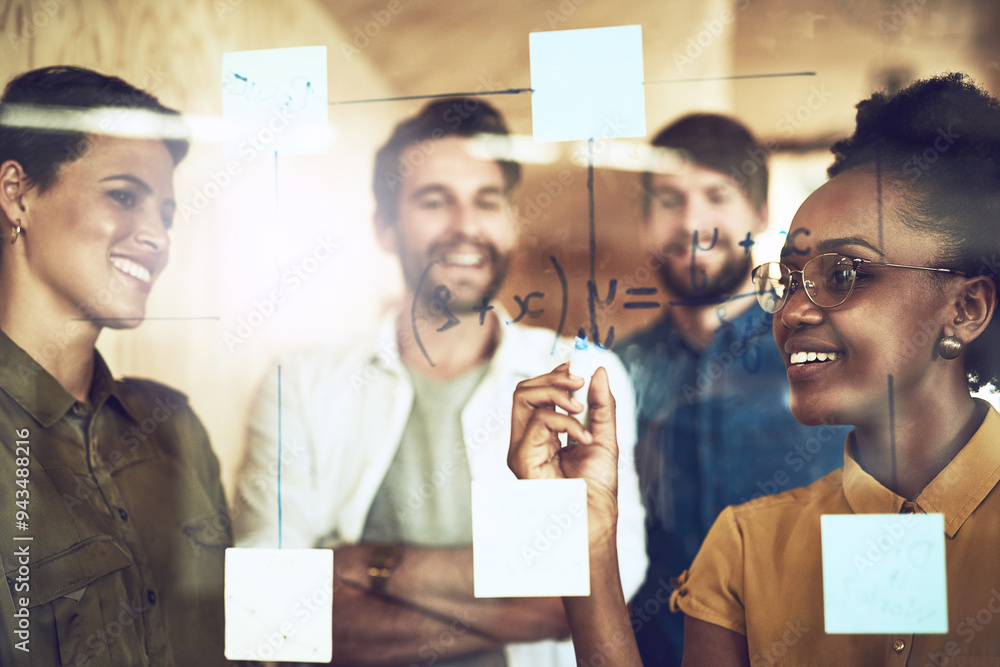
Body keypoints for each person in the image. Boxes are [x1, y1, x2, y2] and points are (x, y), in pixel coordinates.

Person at [510, 72, 1000, 666]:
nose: (793, 310)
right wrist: (587, 544)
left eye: (845, 273)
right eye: (789, 279)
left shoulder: (876, 496)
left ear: (966, 307)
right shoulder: (743, 535)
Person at [233, 97, 647, 665]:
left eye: (487, 201)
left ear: (509, 220)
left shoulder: (582, 378)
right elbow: (268, 611)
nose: (466, 227)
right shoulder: (300, 384)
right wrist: (523, 596)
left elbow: (594, 592)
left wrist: (372, 565)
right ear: (383, 227)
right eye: (435, 201)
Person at [0, 67, 230, 665]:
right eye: (124, 195)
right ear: (16, 193)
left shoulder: (173, 424)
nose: (157, 236)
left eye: (167, 214)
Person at [614, 113, 848, 665]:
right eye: (670, 199)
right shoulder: (615, 373)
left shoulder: (828, 358)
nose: (692, 221)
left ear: (761, 215)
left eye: (717, 195)